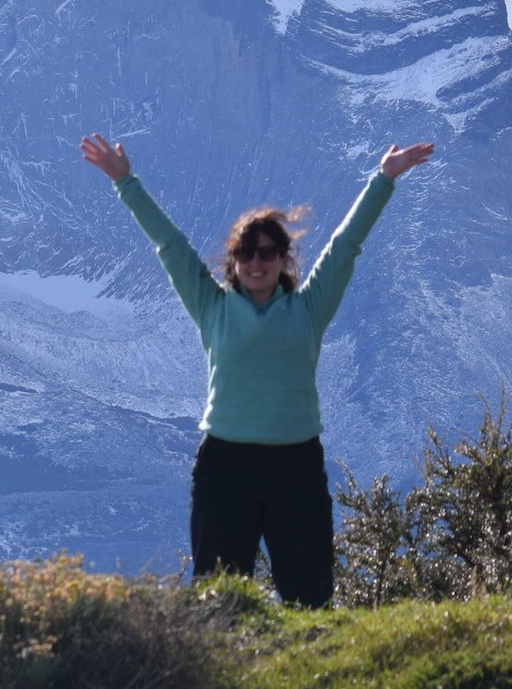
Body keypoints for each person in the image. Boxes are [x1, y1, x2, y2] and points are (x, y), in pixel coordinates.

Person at [77, 133, 434, 607]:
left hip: (296, 466)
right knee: (217, 600)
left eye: (267, 252)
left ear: (284, 260)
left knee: (308, 597)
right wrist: (126, 182)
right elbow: (170, 245)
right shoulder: (211, 306)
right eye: (245, 252)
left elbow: (345, 245)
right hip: (225, 467)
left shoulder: (309, 308)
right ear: (233, 261)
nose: (256, 261)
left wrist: (382, 180)